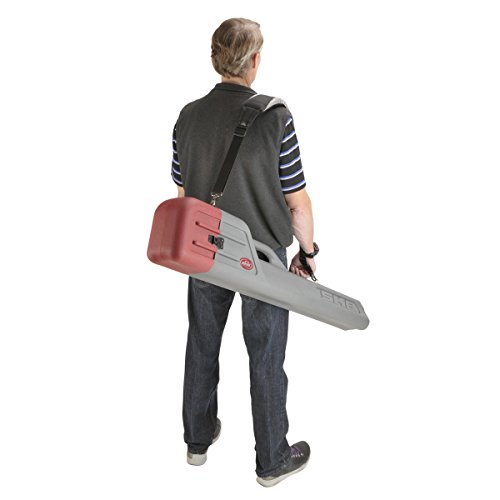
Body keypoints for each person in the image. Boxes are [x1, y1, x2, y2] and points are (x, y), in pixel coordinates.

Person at [170, 18, 317, 487]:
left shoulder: (187, 117)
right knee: (266, 356)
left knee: (202, 343)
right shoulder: (276, 118)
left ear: (216, 58)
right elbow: (297, 202)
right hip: (263, 261)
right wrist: (308, 252)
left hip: (203, 251)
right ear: (254, 60)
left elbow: (182, 196)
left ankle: (197, 440)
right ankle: (272, 460)